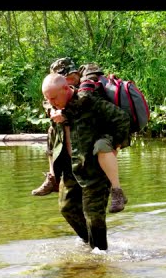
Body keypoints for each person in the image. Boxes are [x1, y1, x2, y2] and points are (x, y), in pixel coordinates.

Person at [41, 72, 130, 250]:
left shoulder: (89, 102)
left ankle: (100, 258)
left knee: (93, 216)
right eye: (47, 99)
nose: (51, 103)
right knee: (67, 209)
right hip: (71, 168)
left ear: (66, 88)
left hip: (94, 170)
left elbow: (122, 120)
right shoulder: (56, 107)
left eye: (54, 98)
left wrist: (114, 145)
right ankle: (91, 246)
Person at [31, 57, 129, 213]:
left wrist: (117, 144)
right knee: (52, 132)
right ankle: (52, 177)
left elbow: (84, 100)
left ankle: (117, 191)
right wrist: (54, 110)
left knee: (102, 147)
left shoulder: (88, 82)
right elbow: (48, 103)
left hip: (101, 130)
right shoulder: (58, 90)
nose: (68, 80)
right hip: (75, 144)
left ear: (74, 73)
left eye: (68, 77)